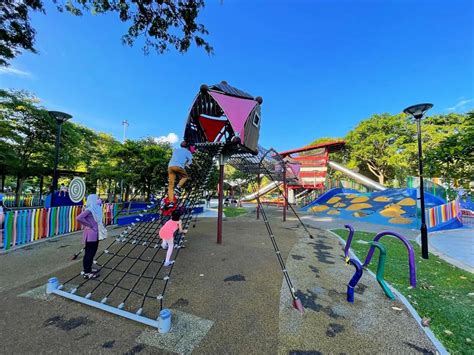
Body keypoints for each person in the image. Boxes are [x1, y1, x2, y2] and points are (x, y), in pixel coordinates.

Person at [76, 194, 102, 278]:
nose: (99, 200)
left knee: (92, 252)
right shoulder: (90, 209)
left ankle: (89, 268)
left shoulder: (95, 209)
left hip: (95, 234)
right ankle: (87, 272)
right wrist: (89, 225)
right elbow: (79, 218)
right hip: (91, 234)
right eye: (97, 198)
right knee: (89, 253)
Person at [167, 140, 195, 207]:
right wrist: (187, 164)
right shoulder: (188, 152)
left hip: (170, 167)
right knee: (185, 177)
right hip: (179, 167)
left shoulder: (176, 150)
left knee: (170, 185)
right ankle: (178, 187)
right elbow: (191, 161)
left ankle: (171, 202)